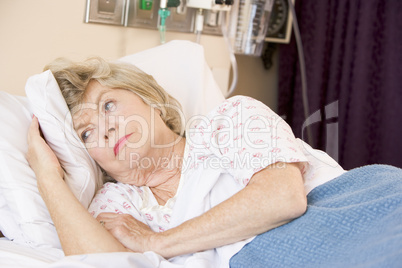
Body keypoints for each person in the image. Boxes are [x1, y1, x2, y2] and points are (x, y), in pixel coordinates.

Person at [26, 57, 345, 266]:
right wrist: (48, 179)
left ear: (153, 102)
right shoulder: (118, 205)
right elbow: (97, 263)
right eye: (85, 133)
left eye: (108, 105)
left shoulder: (229, 120)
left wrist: (155, 241)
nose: (106, 128)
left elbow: (282, 197)